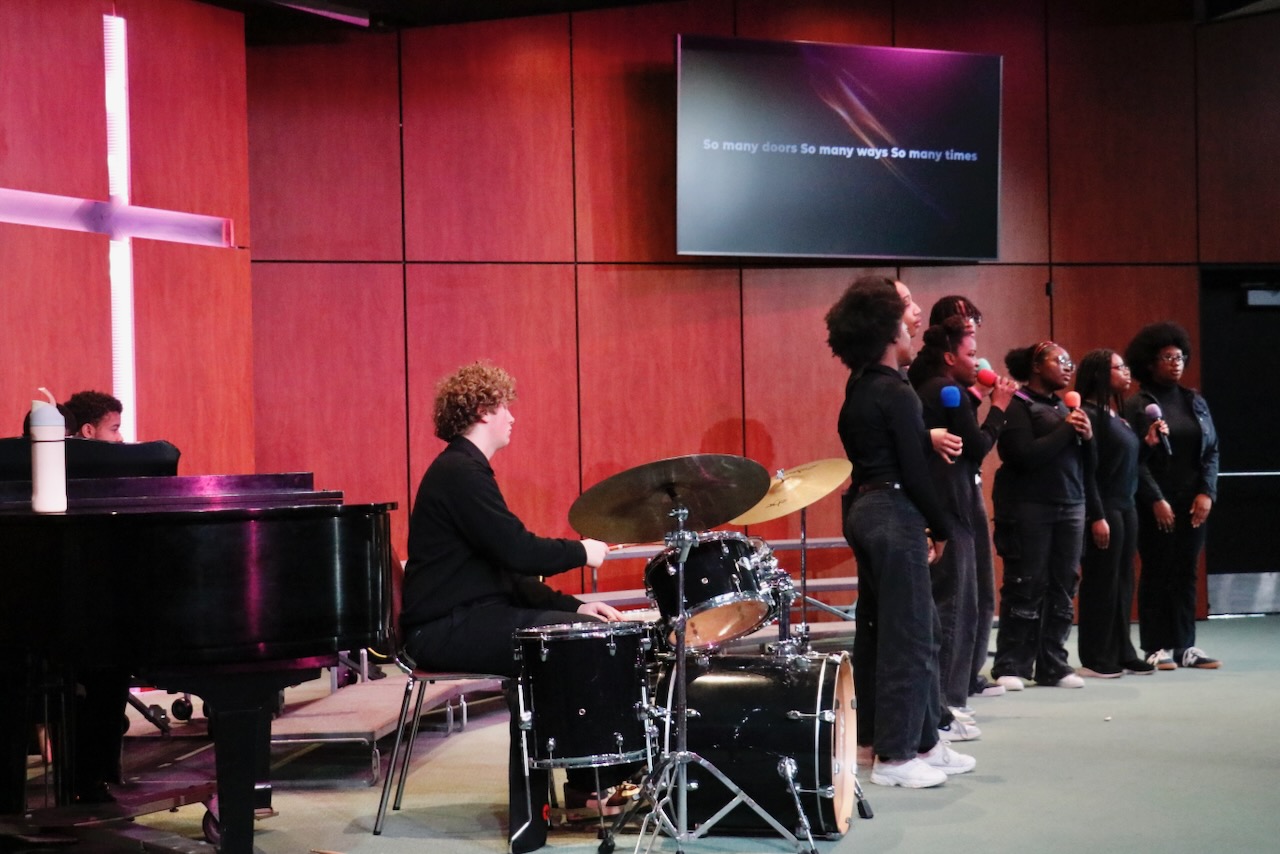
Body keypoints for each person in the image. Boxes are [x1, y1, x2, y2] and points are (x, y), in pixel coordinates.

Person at [398, 362, 620, 853]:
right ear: (482, 411)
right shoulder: (460, 473)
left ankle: (586, 787)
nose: (511, 417)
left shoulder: (465, 470)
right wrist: (582, 551)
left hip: (469, 617)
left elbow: (509, 574)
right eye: (504, 407)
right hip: (443, 628)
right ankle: (580, 792)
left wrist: (575, 607)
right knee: (566, 645)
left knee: (579, 633)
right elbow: (518, 550)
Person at [826, 275, 975, 789]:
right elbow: (915, 471)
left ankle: (908, 741)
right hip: (893, 512)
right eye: (905, 322)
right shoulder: (896, 392)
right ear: (889, 331)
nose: (913, 330)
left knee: (885, 630)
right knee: (910, 634)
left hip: (865, 509)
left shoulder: (860, 387)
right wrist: (942, 525)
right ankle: (896, 756)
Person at [908, 317, 1016, 720]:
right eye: (971, 354)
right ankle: (947, 705)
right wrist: (999, 407)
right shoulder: (946, 390)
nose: (978, 361)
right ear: (950, 357)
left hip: (950, 500)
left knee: (960, 603)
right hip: (949, 504)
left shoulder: (943, 391)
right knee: (955, 606)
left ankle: (950, 699)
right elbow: (976, 445)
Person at [990, 341, 1097, 691]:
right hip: (1029, 507)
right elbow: (1022, 455)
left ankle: (1054, 663)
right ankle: (1012, 663)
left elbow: (1087, 464)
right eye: (1060, 360)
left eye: (1071, 362)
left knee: (1064, 585)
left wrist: (1088, 437)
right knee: (1026, 583)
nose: (1068, 367)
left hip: (1071, 503)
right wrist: (1067, 429)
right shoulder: (1019, 404)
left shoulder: (1065, 407)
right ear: (1036, 366)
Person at [1122, 323, 1221, 670]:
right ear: (1150, 363)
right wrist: (1155, 499)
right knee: (1157, 570)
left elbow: (1211, 450)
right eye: (1167, 357)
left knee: (1185, 571)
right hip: (1154, 502)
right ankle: (1155, 645)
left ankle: (1184, 645)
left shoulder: (1195, 401)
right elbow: (1134, 458)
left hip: (1192, 500)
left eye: (1179, 357)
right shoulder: (1138, 405)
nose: (1176, 363)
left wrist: (1206, 492)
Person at [1074, 350, 1163, 678]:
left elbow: (1127, 464)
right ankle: (1096, 656)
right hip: (1105, 507)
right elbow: (1089, 470)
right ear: (1099, 373)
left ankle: (1123, 650)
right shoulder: (1088, 414)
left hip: (1126, 505)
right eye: (1118, 367)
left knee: (1123, 581)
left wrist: (1148, 445)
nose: (1126, 372)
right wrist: (1096, 515)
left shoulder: (1115, 414)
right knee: (1102, 582)